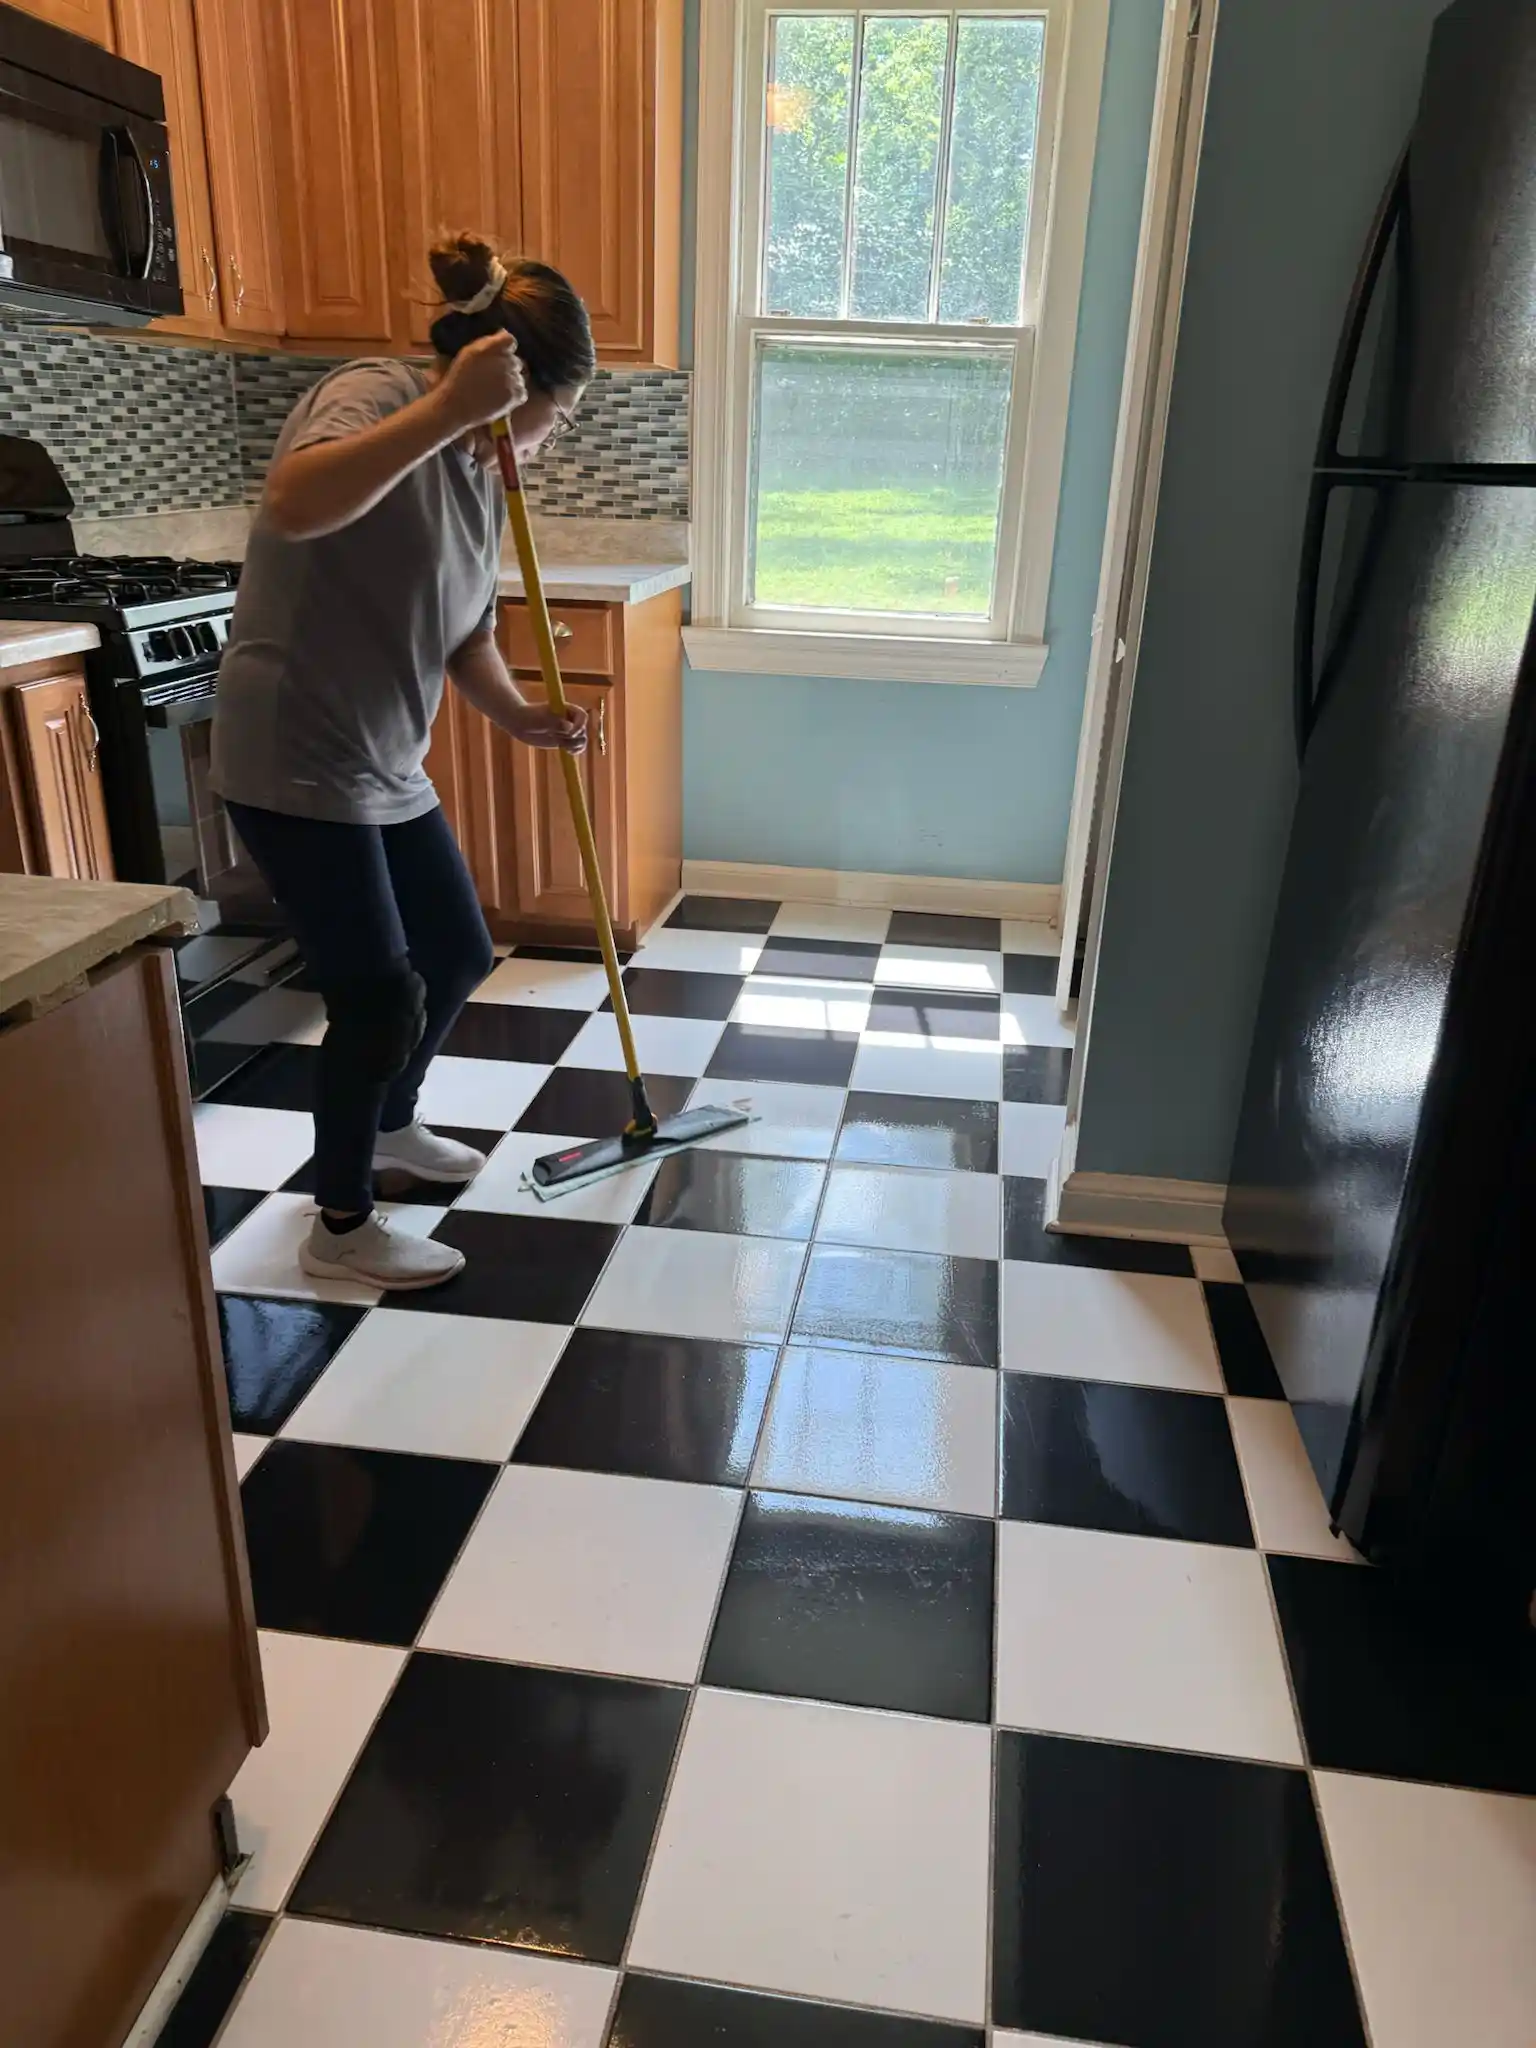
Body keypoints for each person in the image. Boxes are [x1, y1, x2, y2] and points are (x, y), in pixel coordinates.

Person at [210, 234, 594, 1290]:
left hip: (380, 757)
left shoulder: (478, 469)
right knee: (376, 996)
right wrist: (447, 413)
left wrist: (519, 717)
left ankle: (387, 1125)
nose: (544, 445)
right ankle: (338, 1226)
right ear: (501, 380)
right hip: (294, 752)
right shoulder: (378, 397)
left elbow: (463, 631)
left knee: (458, 951)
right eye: (549, 417)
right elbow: (294, 501)